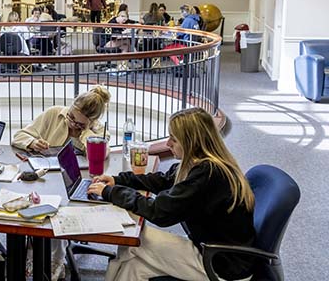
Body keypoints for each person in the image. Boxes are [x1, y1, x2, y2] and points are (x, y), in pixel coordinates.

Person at [87, 107, 255, 281]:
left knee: (131, 240)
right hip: (211, 248)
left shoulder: (208, 173)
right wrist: (118, 180)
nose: (168, 144)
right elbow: (163, 180)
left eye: (174, 139)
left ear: (191, 142)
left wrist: (110, 192)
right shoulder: (200, 164)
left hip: (220, 263)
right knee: (135, 267)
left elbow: (160, 212)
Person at [12, 85, 111, 280]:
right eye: (71, 117)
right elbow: (19, 136)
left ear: (92, 121)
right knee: (43, 209)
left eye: (80, 123)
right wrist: (32, 142)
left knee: (59, 211)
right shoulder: (54, 114)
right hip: (46, 180)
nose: (73, 124)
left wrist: (85, 132)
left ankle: (57, 258)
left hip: (71, 185)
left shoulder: (97, 131)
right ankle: (35, 254)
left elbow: (102, 152)